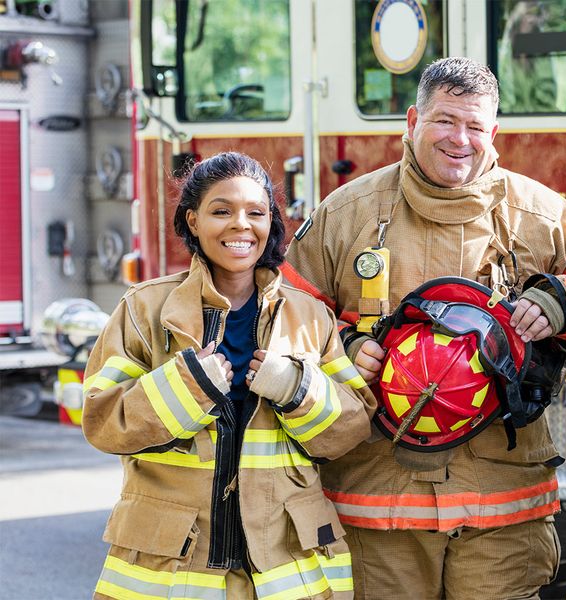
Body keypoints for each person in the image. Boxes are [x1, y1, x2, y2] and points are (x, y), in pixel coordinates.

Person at [284, 57, 566, 599]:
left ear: (493, 133)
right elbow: (286, 316)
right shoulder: (346, 214)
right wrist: (345, 348)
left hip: (503, 500)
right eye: (445, 121)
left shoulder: (544, 218)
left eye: (475, 126)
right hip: (380, 499)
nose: (460, 139)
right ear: (412, 121)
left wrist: (562, 298)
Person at [82, 152, 375, 599]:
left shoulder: (310, 316)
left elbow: (351, 429)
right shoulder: (144, 309)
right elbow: (103, 421)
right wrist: (185, 388)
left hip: (286, 564)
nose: (241, 225)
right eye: (222, 211)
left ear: (271, 223)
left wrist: (296, 389)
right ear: (193, 221)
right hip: (172, 569)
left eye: (256, 213)